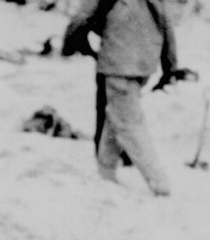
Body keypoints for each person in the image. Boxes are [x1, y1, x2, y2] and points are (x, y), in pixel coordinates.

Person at [62, 0, 193, 196]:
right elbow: (167, 26)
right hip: (144, 65)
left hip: (118, 63)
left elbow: (81, 18)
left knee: (129, 123)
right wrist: (170, 67)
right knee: (115, 116)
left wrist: (71, 46)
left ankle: (159, 183)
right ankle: (105, 172)